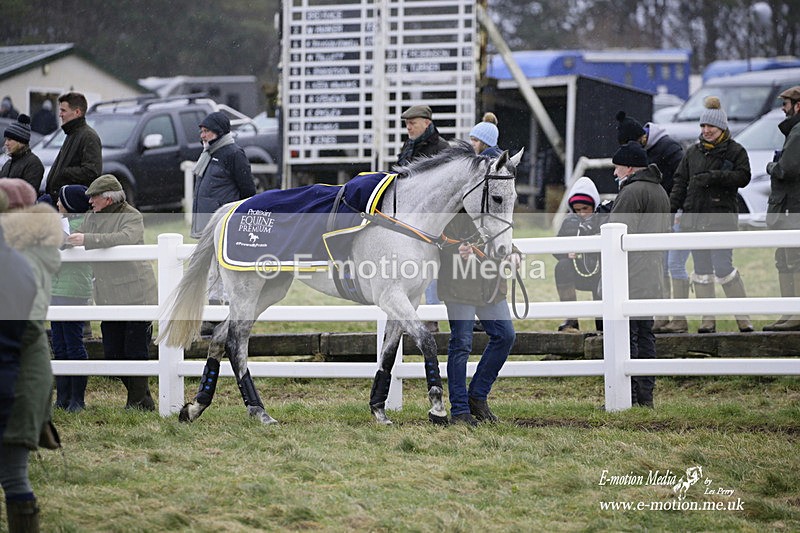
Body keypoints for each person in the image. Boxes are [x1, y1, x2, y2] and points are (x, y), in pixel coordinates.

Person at [66, 174, 158, 410]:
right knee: (113, 352)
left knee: (136, 350)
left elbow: (125, 238)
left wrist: (87, 239)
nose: (90, 202)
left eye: (93, 197)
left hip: (138, 295)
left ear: (107, 199)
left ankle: (137, 402)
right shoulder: (92, 217)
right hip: (109, 296)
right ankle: (143, 397)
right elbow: (78, 236)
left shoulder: (132, 216)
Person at [0, 190, 63, 532]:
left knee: (12, 474)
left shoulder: (21, 259)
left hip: (18, 373)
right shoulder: (28, 254)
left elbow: (24, 324)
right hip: (23, 369)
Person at [669, 96, 754, 334]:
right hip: (693, 219)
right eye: (703, 126)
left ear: (722, 128)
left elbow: (744, 177)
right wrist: (670, 209)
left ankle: (743, 318)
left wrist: (714, 177)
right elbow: (680, 182)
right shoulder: (692, 152)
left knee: (723, 268)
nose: (706, 131)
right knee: (702, 270)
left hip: (721, 219)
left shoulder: (736, 151)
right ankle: (708, 320)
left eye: (711, 127)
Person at [438, 209, 519, 426]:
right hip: (459, 287)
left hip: (490, 287)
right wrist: (458, 251)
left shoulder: (490, 211)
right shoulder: (452, 211)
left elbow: (502, 237)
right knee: (462, 344)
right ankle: (460, 410)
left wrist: (514, 253)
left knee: (505, 335)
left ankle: (477, 395)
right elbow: (440, 242)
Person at [609, 141, 671, 408]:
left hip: (631, 272)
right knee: (645, 334)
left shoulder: (632, 192)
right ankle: (645, 395)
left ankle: (630, 396)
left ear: (630, 168)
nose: (615, 173)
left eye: (618, 168)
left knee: (629, 334)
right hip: (653, 272)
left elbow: (616, 231)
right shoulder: (659, 190)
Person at [616, 111, 687, 332]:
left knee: (672, 265)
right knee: (662, 265)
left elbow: (681, 181)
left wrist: (673, 208)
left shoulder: (670, 149)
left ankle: (678, 317)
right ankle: (662, 314)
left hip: (674, 213)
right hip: (662, 209)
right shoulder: (654, 151)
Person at [191, 111, 256, 334]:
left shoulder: (234, 154)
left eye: (206, 130)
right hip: (208, 224)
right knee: (211, 272)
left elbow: (248, 191)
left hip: (226, 225)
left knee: (225, 271)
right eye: (201, 130)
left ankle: (227, 317)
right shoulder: (207, 155)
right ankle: (212, 318)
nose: (202, 135)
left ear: (219, 132)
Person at [396, 105, 450, 331]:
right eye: (407, 123)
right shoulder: (408, 146)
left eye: (413, 122)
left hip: (433, 220)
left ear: (427, 123)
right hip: (408, 218)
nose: (408, 126)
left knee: (433, 269)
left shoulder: (442, 148)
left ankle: (433, 317)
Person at [51, 185, 93, 412]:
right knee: (59, 343)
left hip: (73, 290)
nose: (57, 205)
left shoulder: (77, 226)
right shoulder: (63, 223)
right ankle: (63, 397)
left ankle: (78, 398)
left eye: (61, 201)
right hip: (56, 288)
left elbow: (58, 241)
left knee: (73, 343)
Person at [763, 86, 800, 331]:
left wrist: (771, 166)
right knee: (784, 260)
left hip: (792, 207)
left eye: (785, 103)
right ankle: (789, 313)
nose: (782, 108)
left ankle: (795, 315)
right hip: (790, 206)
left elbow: (786, 169)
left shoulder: (797, 132)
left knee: (792, 260)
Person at [553, 176, 606, 333]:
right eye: (578, 209)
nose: (582, 213)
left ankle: (604, 325)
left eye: (585, 208)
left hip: (598, 271)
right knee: (561, 267)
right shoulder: (569, 222)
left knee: (604, 278)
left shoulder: (603, 220)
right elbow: (556, 248)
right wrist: (566, 254)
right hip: (576, 271)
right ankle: (570, 320)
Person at [44, 92, 102, 199]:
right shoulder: (71, 134)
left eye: (63, 110)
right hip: (60, 201)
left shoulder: (88, 137)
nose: (60, 114)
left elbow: (92, 172)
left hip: (72, 204)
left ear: (77, 112)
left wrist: (64, 172)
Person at [1, 115, 45, 193]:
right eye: (6, 140)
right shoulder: (8, 164)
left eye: (9, 140)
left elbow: (28, 195)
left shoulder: (33, 164)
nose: (6, 143)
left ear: (20, 142)